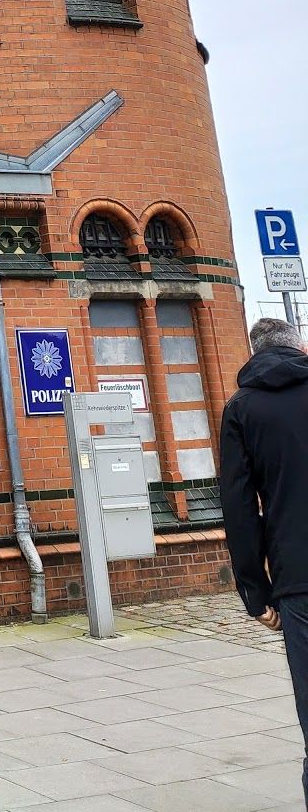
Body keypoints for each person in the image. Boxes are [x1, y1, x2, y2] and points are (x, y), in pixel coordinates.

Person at [220, 315, 308, 806]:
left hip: (298, 580)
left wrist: (254, 591)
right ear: (299, 345)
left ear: (253, 352)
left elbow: (238, 508)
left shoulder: (242, 408)